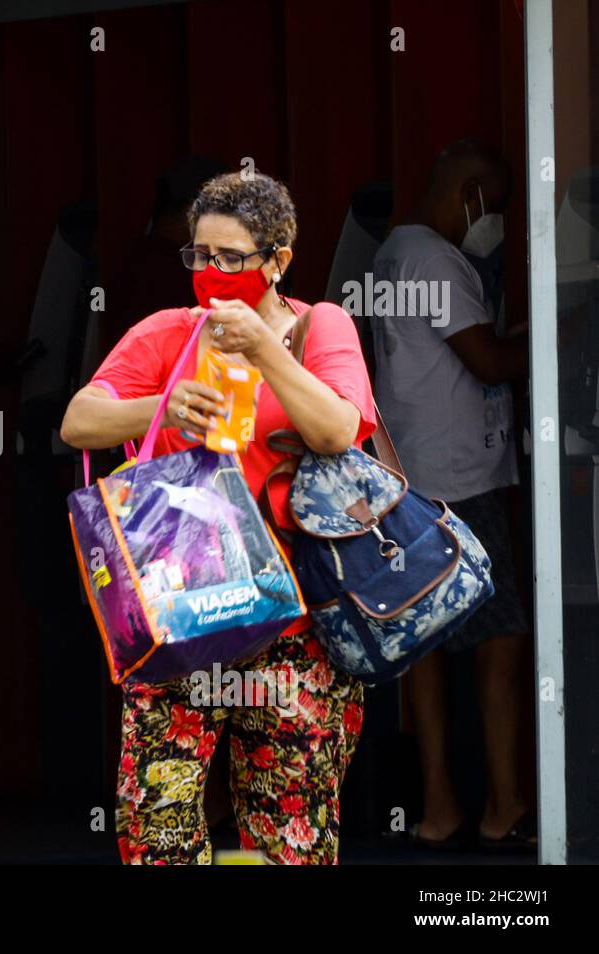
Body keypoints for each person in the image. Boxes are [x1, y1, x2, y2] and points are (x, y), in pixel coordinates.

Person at [60, 171, 375, 864]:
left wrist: (263, 347)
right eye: (199, 255)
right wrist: (159, 407)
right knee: (156, 831)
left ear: (278, 261)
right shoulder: (167, 333)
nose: (210, 272)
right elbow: (78, 421)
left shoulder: (321, 328)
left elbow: (337, 430)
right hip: (180, 624)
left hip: (296, 629)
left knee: (291, 839)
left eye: (231, 258)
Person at [370, 139, 534, 850]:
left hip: (415, 481)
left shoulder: (393, 254)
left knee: (428, 652)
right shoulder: (437, 259)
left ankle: (440, 809)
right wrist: (560, 334)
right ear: (468, 192)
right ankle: (504, 807)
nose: (492, 220)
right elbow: (488, 360)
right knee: (499, 643)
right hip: (462, 486)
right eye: (493, 206)